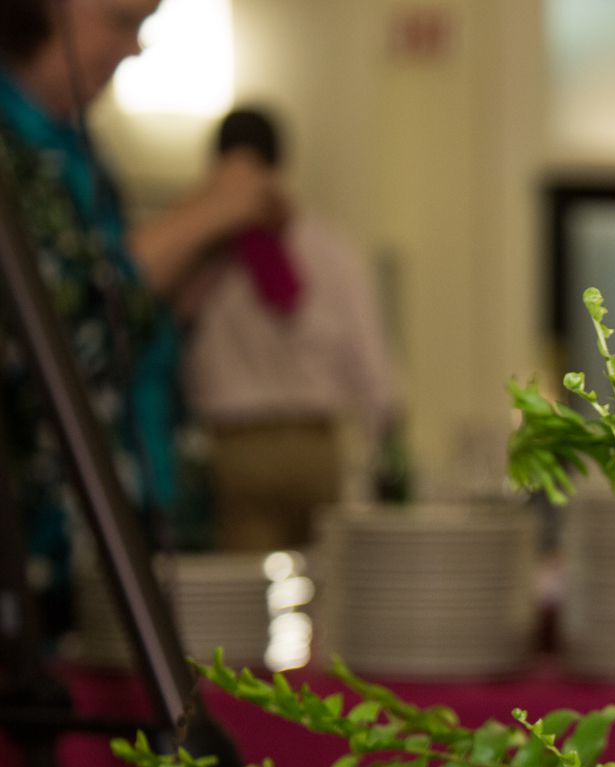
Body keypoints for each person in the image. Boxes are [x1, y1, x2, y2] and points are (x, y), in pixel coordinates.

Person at [0, 0, 281, 631]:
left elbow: (118, 337)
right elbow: (51, 329)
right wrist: (208, 212)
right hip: (33, 560)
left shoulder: (73, 150)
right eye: (123, 21)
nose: (135, 48)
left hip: (109, 545)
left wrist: (195, 267)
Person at [183, 106, 398, 550]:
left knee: (253, 589)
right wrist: (380, 440)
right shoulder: (330, 249)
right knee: (318, 587)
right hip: (313, 441)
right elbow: (369, 358)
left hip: (239, 445)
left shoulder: (201, 254)